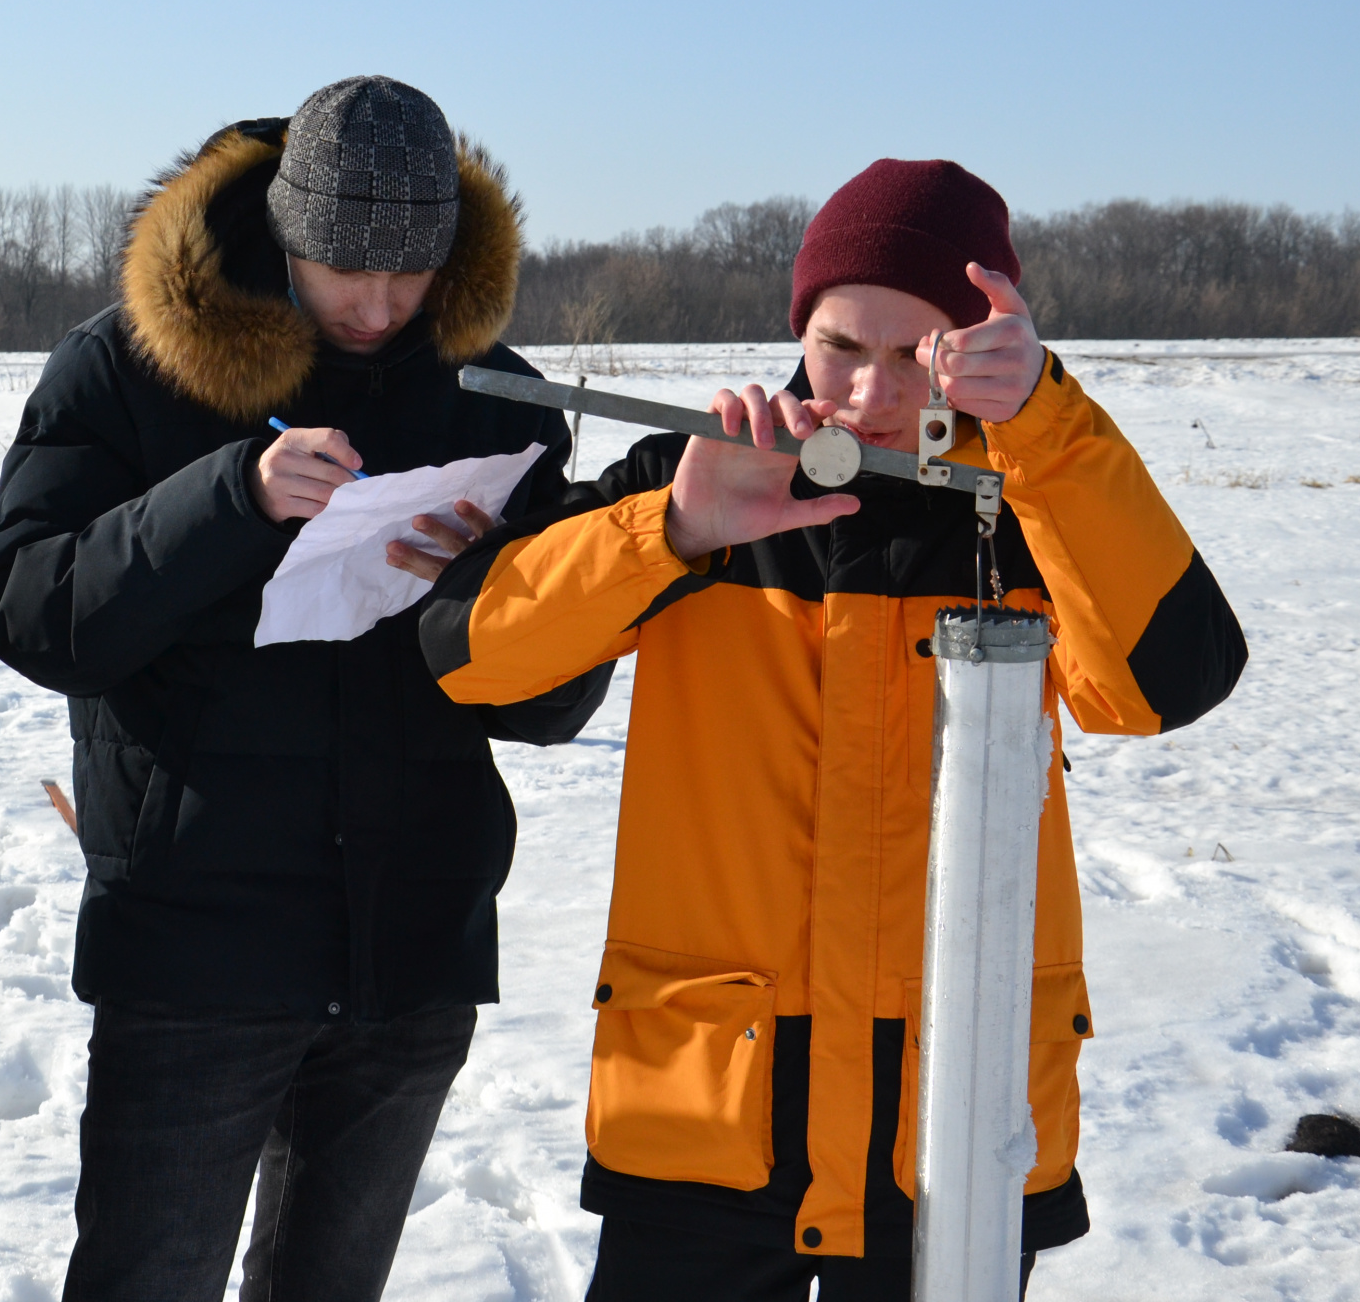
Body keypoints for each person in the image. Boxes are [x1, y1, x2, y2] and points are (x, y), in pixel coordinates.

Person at [420, 159, 1247, 1299]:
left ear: (982, 343)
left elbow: (1165, 682)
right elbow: (473, 659)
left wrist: (1047, 426)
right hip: (711, 1106)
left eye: (920, 352)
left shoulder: (1029, 498)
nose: (870, 392)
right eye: (841, 346)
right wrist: (674, 529)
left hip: (949, 1111)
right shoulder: (700, 473)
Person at [0, 76, 613, 1302]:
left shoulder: (496, 393)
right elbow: (33, 611)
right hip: (195, 951)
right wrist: (234, 499)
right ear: (284, 233)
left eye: (412, 273)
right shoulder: (126, 370)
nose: (379, 305)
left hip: (411, 952)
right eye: (343, 268)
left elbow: (544, 708)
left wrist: (514, 593)